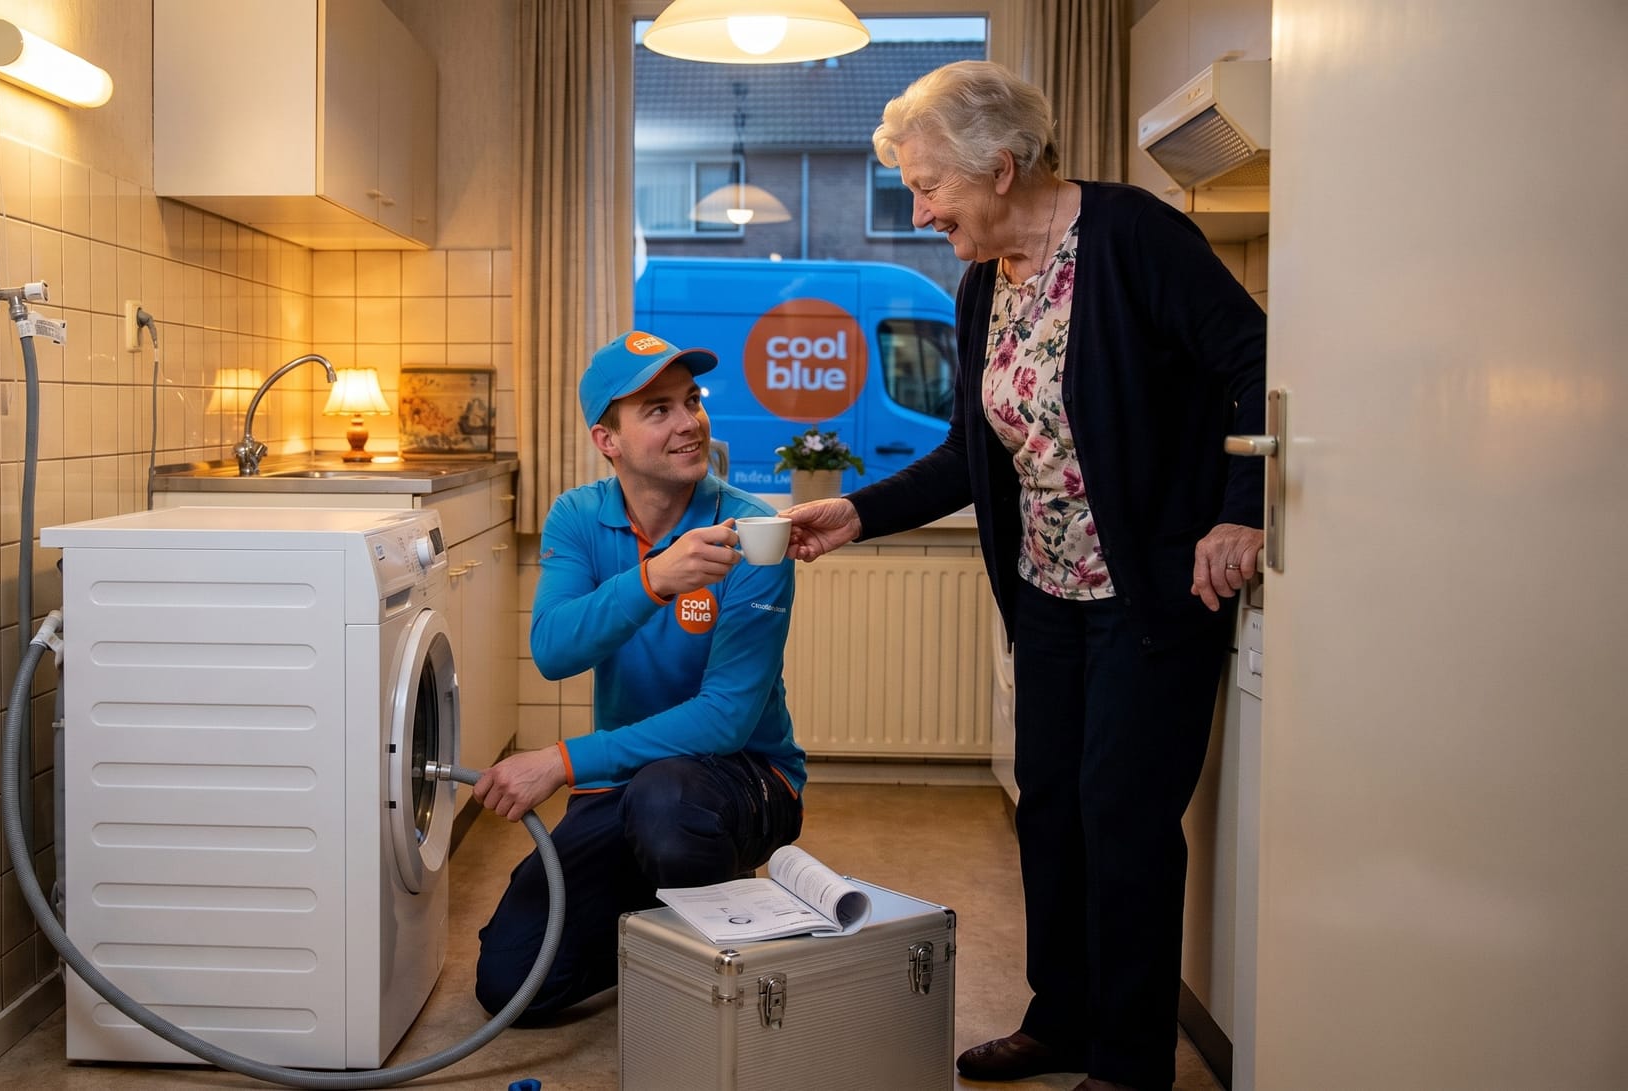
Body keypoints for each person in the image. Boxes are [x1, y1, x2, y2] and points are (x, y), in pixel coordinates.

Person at [783, 61, 1265, 1091]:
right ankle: (1063, 1018)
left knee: (1122, 819)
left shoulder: (1132, 239)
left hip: (1149, 597)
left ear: (998, 170)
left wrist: (1239, 510)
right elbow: (972, 450)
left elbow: (1250, 357)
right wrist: (856, 509)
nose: (917, 213)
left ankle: (1132, 1060)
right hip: (1046, 594)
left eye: (928, 189)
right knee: (1047, 805)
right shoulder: (979, 285)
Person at [471, 329, 806, 1019]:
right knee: (510, 982)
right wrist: (653, 579)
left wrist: (562, 760)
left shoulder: (751, 531)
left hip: (746, 775)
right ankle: (670, 910)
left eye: (691, 400)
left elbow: (725, 717)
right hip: (626, 784)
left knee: (668, 802)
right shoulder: (578, 516)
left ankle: (703, 950)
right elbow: (554, 650)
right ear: (608, 440)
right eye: (658, 409)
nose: (689, 421)